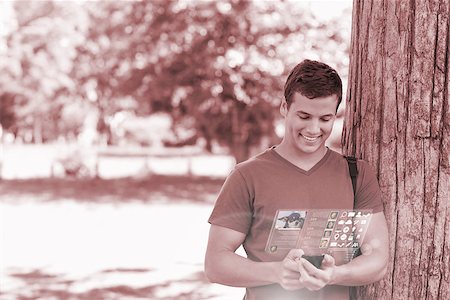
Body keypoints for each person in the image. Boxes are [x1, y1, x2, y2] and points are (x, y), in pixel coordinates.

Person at [204, 59, 389, 300]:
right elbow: (216, 263)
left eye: (325, 119)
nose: (314, 129)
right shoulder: (247, 176)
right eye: (304, 116)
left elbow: (377, 257)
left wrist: (335, 275)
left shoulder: (357, 174)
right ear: (284, 107)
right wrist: (276, 272)